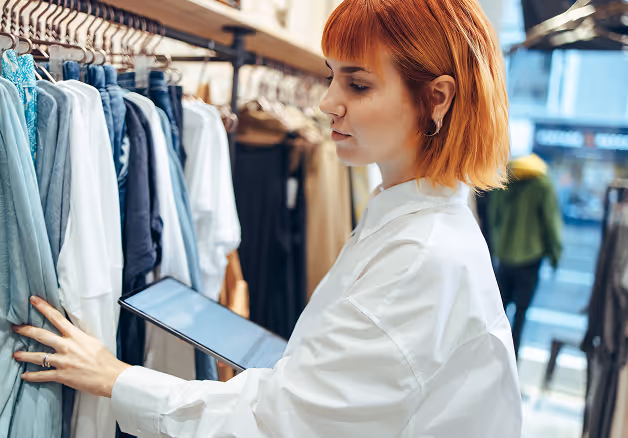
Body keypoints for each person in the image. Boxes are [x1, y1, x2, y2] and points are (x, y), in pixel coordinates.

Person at [12, 0, 522, 436]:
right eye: (331, 77)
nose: (327, 103)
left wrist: (114, 377)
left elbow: (280, 425)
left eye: (358, 85)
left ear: (437, 98)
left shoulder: (421, 257)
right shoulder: (411, 222)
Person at [488, 153, 563, 359]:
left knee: (496, 313)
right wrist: (555, 254)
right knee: (521, 315)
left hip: (505, 256)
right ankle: (512, 363)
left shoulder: (505, 180)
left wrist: (497, 245)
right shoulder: (543, 185)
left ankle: (489, 359)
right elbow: (551, 223)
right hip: (530, 259)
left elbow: (494, 215)